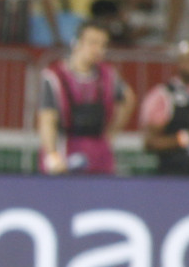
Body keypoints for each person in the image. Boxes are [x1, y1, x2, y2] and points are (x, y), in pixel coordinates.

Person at [37, 21, 134, 176]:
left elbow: (127, 99)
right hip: (65, 147)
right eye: (93, 43)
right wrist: (52, 155)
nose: (99, 49)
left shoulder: (108, 75)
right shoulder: (54, 76)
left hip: (98, 151)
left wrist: (112, 133)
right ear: (76, 43)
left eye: (103, 45)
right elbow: (47, 118)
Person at [139, 39, 189, 177]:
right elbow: (150, 142)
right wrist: (187, 138)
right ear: (179, 63)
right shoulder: (163, 95)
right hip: (173, 177)